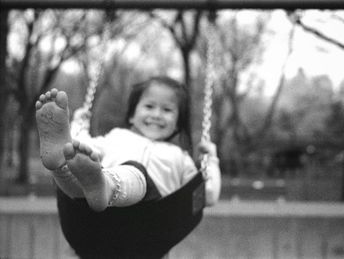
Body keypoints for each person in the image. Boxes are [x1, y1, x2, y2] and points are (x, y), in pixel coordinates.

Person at [35, 76, 221, 213]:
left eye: (167, 110)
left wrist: (211, 161)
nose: (156, 114)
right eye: (149, 106)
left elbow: (208, 195)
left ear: (177, 123)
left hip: (153, 219)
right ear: (132, 115)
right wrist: (77, 126)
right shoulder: (117, 136)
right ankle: (59, 165)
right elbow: (83, 148)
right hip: (96, 212)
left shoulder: (180, 157)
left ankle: (105, 185)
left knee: (136, 173)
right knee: (77, 166)